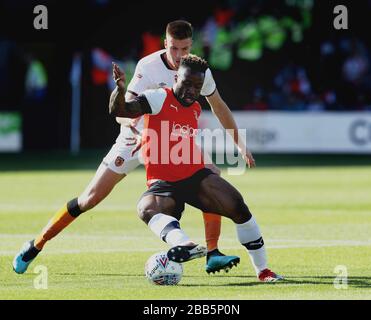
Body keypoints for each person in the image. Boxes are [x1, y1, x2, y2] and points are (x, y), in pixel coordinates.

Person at [13, 20, 253, 275]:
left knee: (210, 174)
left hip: (173, 143)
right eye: (174, 48)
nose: (179, 55)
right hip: (134, 139)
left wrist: (239, 144)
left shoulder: (196, 70)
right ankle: (36, 244)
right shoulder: (147, 67)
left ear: (191, 46)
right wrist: (142, 131)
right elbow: (121, 113)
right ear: (165, 44)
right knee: (89, 199)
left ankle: (213, 253)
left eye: (184, 49)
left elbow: (218, 106)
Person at [109, 54, 283, 282]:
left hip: (194, 177)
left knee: (239, 208)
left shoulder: (196, 108)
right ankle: (185, 244)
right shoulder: (158, 97)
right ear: (176, 78)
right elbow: (120, 111)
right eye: (187, 83)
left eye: (198, 86)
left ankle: (263, 271)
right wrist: (120, 89)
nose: (192, 90)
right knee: (145, 208)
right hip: (162, 183)